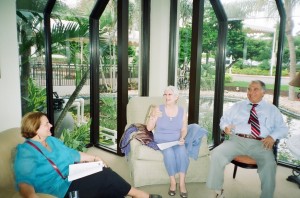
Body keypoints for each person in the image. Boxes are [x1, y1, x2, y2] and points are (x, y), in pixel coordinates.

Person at [14, 112, 162, 198]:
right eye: (46, 124)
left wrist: (95, 158)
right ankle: (141, 195)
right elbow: (24, 183)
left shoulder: (51, 140)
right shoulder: (26, 152)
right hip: (59, 190)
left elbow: (71, 154)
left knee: (103, 171)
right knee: (104, 177)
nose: (51, 125)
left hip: (71, 177)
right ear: (35, 128)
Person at [206, 80, 288, 198]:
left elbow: (283, 129)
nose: (251, 92)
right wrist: (225, 127)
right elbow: (224, 120)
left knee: (270, 164)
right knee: (216, 153)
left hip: (261, 143)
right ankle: (218, 190)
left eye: (255, 89)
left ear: (263, 92)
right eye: (249, 89)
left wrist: (272, 136)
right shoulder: (237, 106)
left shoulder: (272, 109)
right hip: (236, 140)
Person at [146, 86, 189, 198]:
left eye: (169, 94)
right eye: (165, 94)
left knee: (182, 152)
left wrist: (182, 137)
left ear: (176, 97)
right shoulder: (158, 109)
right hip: (162, 141)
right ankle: (173, 182)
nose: (166, 97)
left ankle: (182, 183)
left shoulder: (182, 111)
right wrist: (152, 116)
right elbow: (149, 128)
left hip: (176, 140)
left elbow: (184, 129)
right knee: (169, 153)